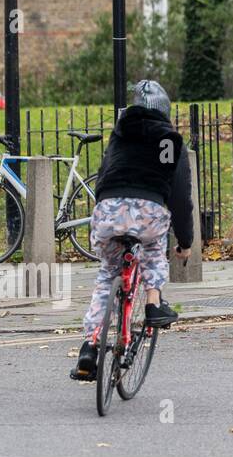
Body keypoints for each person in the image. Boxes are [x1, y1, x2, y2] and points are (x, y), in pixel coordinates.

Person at [71, 80, 194, 381]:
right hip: (149, 211)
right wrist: (185, 241)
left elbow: (103, 176)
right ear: (165, 111)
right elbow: (180, 197)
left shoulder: (119, 135)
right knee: (153, 251)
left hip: (108, 211)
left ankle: (90, 346)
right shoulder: (171, 141)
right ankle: (153, 303)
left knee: (108, 274)